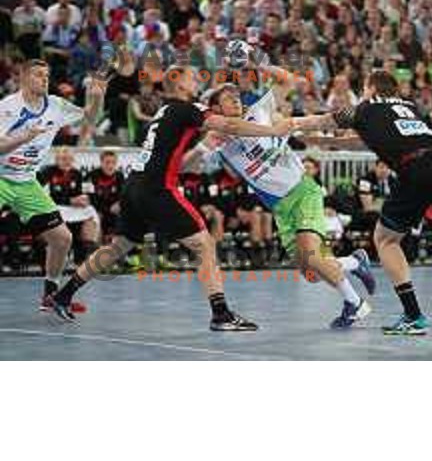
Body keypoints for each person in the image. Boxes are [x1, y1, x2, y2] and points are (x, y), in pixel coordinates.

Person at [50, 64, 295, 331]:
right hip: (157, 188)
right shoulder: (186, 108)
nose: (197, 79)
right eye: (192, 76)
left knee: (117, 248)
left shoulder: (165, 109)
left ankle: (63, 295)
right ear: (179, 85)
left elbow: (195, 140)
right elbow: (227, 123)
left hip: (134, 186)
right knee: (205, 244)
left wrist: (210, 137)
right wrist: (272, 131)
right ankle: (221, 314)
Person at [294, 70, 432, 336]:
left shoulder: (366, 107)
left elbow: (326, 120)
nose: (363, 92)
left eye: (364, 87)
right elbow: (362, 140)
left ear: (372, 88)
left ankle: (412, 314)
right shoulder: (409, 107)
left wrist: (287, 125)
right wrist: (314, 141)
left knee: (385, 239)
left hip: (419, 167)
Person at [186, 43, 376, 329]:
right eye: (227, 98)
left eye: (237, 95)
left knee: (313, 257)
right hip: (279, 207)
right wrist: (203, 146)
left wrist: (256, 61)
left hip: (302, 191)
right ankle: (352, 262)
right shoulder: (220, 139)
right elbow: (187, 166)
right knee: (308, 268)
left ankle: (355, 303)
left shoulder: (259, 111)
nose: (235, 99)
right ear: (215, 110)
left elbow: (287, 79)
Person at [0, 59, 106, 312]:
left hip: (26, 182)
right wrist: (24, 137)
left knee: (62, 238)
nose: (45, 79)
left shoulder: (56, 106)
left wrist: (96, 98)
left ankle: (51, 295)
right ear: (24, 77)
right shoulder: (7, 107)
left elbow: (89, 119)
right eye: (38, 75)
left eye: (47, 76)